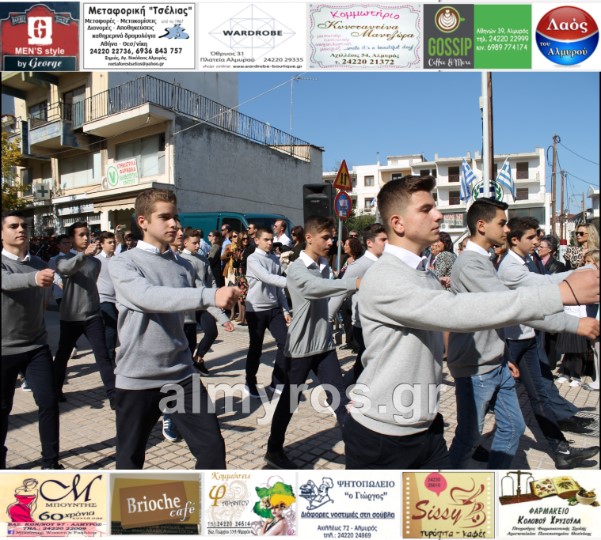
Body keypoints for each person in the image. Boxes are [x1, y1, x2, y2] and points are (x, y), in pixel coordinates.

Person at [342, 175, 600, 470]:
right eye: (426, 209)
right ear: (398, 223)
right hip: (382, 434)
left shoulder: (421, 273)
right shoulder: (385, 277)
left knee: (459, 481)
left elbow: (448, 326)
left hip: (425, 428)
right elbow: (457, 310)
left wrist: (499, 355)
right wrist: (560, 294)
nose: (438, 214)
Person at [447, 199, 599, 470]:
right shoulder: (470, 264)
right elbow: (513, 307)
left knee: (513, 427)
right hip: (476, 367)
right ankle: (447, 486)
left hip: (496, 362)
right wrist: (574, 322)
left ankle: (498, 480)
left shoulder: (484, 260)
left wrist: (504, 355)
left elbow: (501, 313)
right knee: (469, 437)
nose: (507, 230)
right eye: (502, 223)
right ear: (481, 225)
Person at [108, 188, 240, 469]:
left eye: (175, 217)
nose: (174, 224)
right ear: (143, 221)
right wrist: (210, 295)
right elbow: (147, 297)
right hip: (138, 377)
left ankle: (203, 497)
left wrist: (221, 314)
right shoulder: (123, 263)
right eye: (164, 217)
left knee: (213, 451)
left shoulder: (184, 266)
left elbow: (198, 297)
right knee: (130, 459)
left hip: (181, 375)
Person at [265, 216, 360, 469]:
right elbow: (315, 288)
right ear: (308, 238)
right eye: (325, 238)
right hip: (300, 347)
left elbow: (327, 290)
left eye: (332, 238)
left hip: (324, 345)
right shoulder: (297, 269)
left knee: (339, 398)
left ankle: (358, 452)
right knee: (290, 401)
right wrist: (354, 283)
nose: (331, 242)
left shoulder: (322, 266)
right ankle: (273, 450)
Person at [498, 216, 599, 434]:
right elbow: (544, 283)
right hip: (515, 337)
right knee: (531, 388)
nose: (537, 241)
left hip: (529, 332)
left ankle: (563, 418)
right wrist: (582, 272)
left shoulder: (526, 259)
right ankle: (557, 428)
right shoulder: (509, 267)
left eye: (537, 236)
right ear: (515, 240)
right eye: (531, 237)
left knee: (543, 382)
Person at [1, 211, 62, 470]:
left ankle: (51, 462)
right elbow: (7, 281)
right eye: (13, 226)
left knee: (49, 402)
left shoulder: (38, 262)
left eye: (24, 225)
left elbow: (48, 296)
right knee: (3, 409)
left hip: (36, 346)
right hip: (4, 350)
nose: (21, 229)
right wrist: (34, 278)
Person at [53, 222, 116, 407]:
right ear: (72, 239)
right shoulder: (62, 259)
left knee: (103, 356)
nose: (86, 238)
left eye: (87, 234)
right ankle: (55, 390)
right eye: (81, 235)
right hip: (70, 317)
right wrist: (83, 255)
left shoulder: (95, 262)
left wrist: (87, 256)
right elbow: (66, 269)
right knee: (63, 355)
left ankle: (114, 395)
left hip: (92, 315)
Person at [329, 223, 388, 383]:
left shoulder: (385, 262)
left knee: (369, 364)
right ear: (369, 242)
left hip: (380, 324)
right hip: (364, 326)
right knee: (366, 364)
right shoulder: (359, 266)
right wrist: (327, 320)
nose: (387, 243)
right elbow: (340, 292)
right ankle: (342, 390)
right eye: (383, 240)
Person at [179, 227, 233, 375]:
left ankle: (198, 359)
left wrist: (215, 298)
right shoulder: (180, 260)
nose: (198, 245)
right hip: (188, 306)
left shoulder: (203, 259)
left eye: (198, 242)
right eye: (194, 243)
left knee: (211, 332)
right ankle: (187, 368)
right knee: (189, 340)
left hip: (204, 304)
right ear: (185, 243)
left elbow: (211, 281)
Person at [244, 228, 291, 398]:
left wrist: (285, 309)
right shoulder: (252, 259)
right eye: (266, 239)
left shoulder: (274, 259)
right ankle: (250, 382)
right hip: (256, 310)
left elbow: (278, 288)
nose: (270, 243)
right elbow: (267, 277)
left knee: (286, 343)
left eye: (271, 239)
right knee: (256, 348)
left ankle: (276, 382)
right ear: (257, 240)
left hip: (274, 309)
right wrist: (295, 282)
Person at [95, 231, 118, 365]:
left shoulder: (119, 259)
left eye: (114, 242)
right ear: (102, 244)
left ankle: (110, 355)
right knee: (111, 328)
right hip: (104, 299)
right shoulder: (96, 260)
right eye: (109, 242)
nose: (113, 244)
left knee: (115, 329)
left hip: (119, 300)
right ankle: (109, 357)